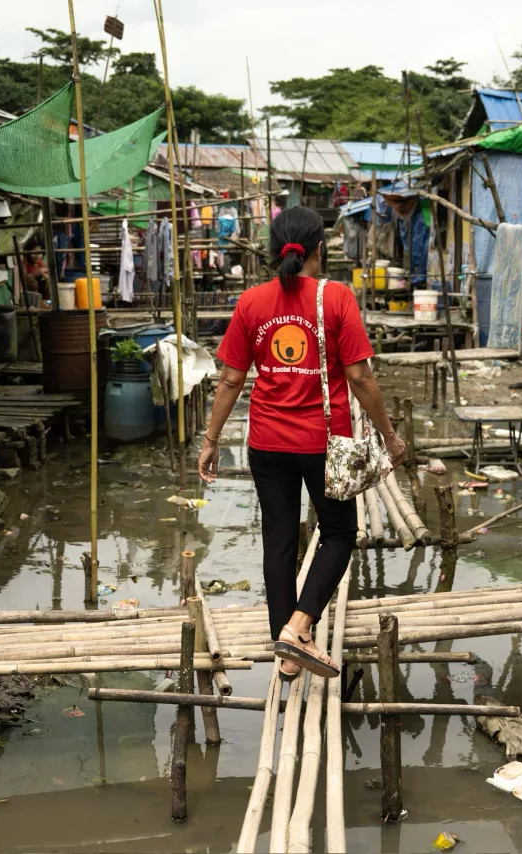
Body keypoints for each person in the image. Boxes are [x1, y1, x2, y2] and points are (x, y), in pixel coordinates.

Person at [198, 206, 407, 680]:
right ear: (319, 248)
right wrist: (389, 435)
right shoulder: (336, 298)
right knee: (338, 533)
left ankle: (289, 655)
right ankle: (298, 626)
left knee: (278, 539)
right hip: (322, 442)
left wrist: (211, 440)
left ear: (275, 251)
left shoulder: (251, 303)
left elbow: (231, 379)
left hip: (266, 442)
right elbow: (360, 376)